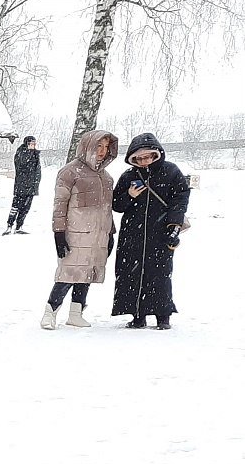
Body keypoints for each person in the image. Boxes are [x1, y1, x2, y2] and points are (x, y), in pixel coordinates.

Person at [41, 130, 119, 330]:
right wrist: (58, 233)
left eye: (105, 147)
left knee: (88, 273)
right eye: (98, 146)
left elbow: (107, 207)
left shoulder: (106, 177)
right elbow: (60, 204)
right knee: (69, 273)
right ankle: (50, 312)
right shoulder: (69, 172)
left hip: (99, 235)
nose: (102, 151)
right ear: (87, 146)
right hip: (74, 234)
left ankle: (76, 313)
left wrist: (110, 231)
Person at [111, 132, 190, 330]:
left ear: (156, 154)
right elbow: (116, 205)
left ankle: (163, 316)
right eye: (139, 158)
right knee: (131, 274)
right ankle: (137, 314)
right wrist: (129, 195)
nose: (144, 161)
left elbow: (179, 200)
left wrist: (174, 226)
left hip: (161, 232)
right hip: (132, 234)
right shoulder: (128, 176)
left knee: (160, 274)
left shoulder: (171, 172)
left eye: (148, 156)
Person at [5, 136, 41, 235]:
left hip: (31, 186)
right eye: (31, 143)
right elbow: (21, 164)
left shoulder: (36, 154)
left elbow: (37, 170)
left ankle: (19, 226)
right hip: (21, 186)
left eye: (34, 143)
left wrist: (36, 184)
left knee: (26, 208)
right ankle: (9, 225)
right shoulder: (20, 152)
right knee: (15, 206)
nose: (33, 145)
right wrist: (28, 152)